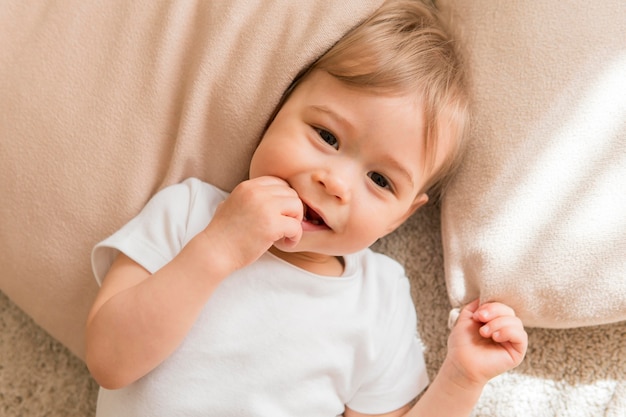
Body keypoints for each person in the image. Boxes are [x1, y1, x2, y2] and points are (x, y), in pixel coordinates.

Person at [85, 1, 528, 416]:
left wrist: (461, 379)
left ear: (401, 216)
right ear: (277, 109)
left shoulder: (379, 303)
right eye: (326, 136)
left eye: (380, 180)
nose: (334, 183)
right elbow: (108, 361)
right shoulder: (188, 213)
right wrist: (216, 249)